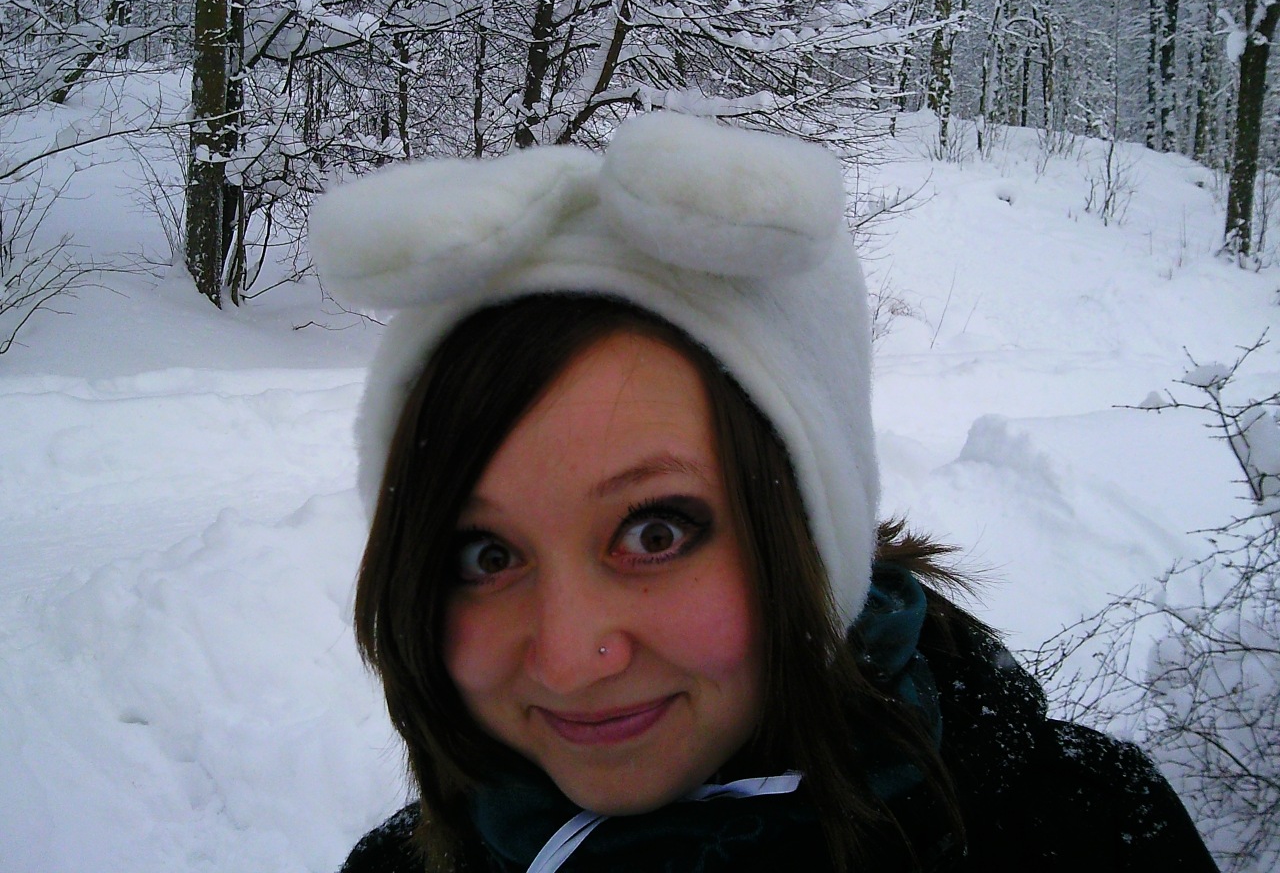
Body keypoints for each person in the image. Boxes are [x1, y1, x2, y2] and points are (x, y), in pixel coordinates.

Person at [309, 113, 1217, 873]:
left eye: (655, 533)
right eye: (485, 555)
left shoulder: (1093, 836)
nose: (568, 660)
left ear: (811, 531)